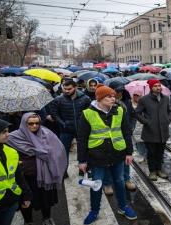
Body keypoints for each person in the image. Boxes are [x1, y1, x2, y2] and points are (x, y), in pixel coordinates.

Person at [77, 84, 137, 224]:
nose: (113, 98)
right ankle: (94, 210)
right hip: (97, 155)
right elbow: (82, 138)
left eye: (113, 96)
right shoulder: (87, 113)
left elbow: (126, 132)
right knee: (96, 184)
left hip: (117, 153)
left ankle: (123, 207)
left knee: (120, 181)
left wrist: (129, 152)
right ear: (99, 98)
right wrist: (82, 160)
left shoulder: (120, 110)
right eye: (109, 96)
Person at [7, 113, 67, 225]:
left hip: (45, 174)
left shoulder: (47, 134)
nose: (34, 126)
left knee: (46, 198)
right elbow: (8, 155)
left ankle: (47, 218)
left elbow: (59, 150)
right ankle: (28, 221)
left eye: (37, 123)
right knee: (26, 199)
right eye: (30, 123)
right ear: (24, 124)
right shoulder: (13, 137)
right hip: (26, 176)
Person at [50, 79, 91, 177]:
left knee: (83, 149)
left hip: (81, 130)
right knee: (63, 151)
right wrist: (63, 124)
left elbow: (89, 113)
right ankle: (63, 172)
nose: (66, 91)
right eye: (65, 89)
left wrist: (85, 124)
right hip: (66, 130)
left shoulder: (85, 98)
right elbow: (54, 114)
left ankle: (83, 169)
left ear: (75, 87)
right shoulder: (58, 99)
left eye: (69, 89)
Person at [102, 85, 137, 194]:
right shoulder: (104, 104)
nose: (118, 93)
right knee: (107, 160)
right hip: (107, 138)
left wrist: (130, 126)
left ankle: (126, 179)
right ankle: (107, 183)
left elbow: (132, 115)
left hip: (123, 135)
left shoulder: (125, 102)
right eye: (117, 91)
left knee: (126, 158)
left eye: (121, 91)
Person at [135, 79, 171, 181]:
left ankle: (159, 169)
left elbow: (170, 111)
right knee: (151, 153)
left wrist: (168, 119)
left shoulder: (165, 98)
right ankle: (152, 171)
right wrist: (147, 122)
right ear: (151, 87)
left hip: (163, 131)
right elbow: (137, 113)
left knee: (160, 152)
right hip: (150, 131)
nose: (158, 88)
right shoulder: (144, 100)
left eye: (159, 85)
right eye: (155, 86)